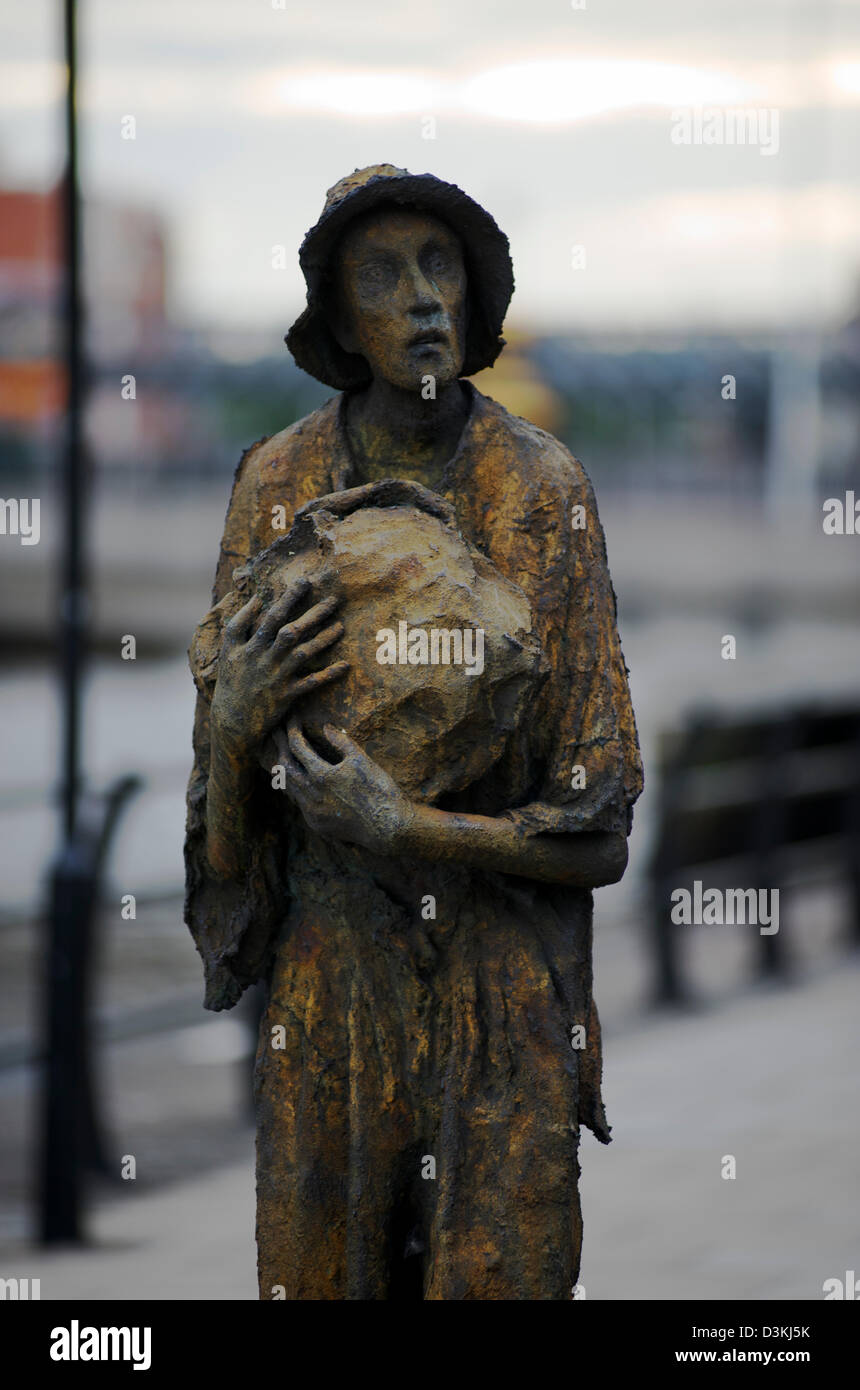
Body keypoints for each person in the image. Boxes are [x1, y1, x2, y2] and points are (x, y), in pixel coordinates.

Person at [184, 164, 643, 1300]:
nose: (422, 298)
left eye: (441, 267)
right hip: (329, 989)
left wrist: (405, 826)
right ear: (340, 317)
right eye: (382, 276)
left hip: (500, 979)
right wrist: (236, 730)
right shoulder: (276, 483)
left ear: (478, 298)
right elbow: (226, 850)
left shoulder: (541, 490)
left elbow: (598, 834)